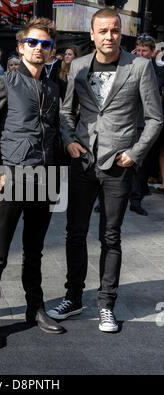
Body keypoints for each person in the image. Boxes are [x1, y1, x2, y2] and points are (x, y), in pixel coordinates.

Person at [47, 8, 163, 332]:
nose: (109, 36)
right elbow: (67, 112)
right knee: (75, 233)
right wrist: (69, 140)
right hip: (83, 160)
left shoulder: (139, 67)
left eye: (114, 30)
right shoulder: (80, 67)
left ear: (120, 32)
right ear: (92, 34)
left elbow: (155, 118)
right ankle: (72, 297)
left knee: (110, 237)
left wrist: (135, 154)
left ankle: (106, 304)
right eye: (103, 31)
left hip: (118, 165)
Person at [0, 17, 65, 349]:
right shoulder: (5, 82)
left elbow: (53, 132)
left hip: (46, 177)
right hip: (13, 177)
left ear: (52, 50)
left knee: (35, 250)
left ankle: (34, 309)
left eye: (46, 44)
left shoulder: (53, 87)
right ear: (22, 47)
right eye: (33, 43)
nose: (40, 49)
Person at [129, 35, 163, 213]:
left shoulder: (156, 70)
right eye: (139, 50)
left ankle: (136, 200)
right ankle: (103, 201)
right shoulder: (128, 64)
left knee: (141, 164)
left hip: (145, 122)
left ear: (152, 52)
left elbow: (156, 86)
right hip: (127, 121)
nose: (141, 53)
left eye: (144, 51)